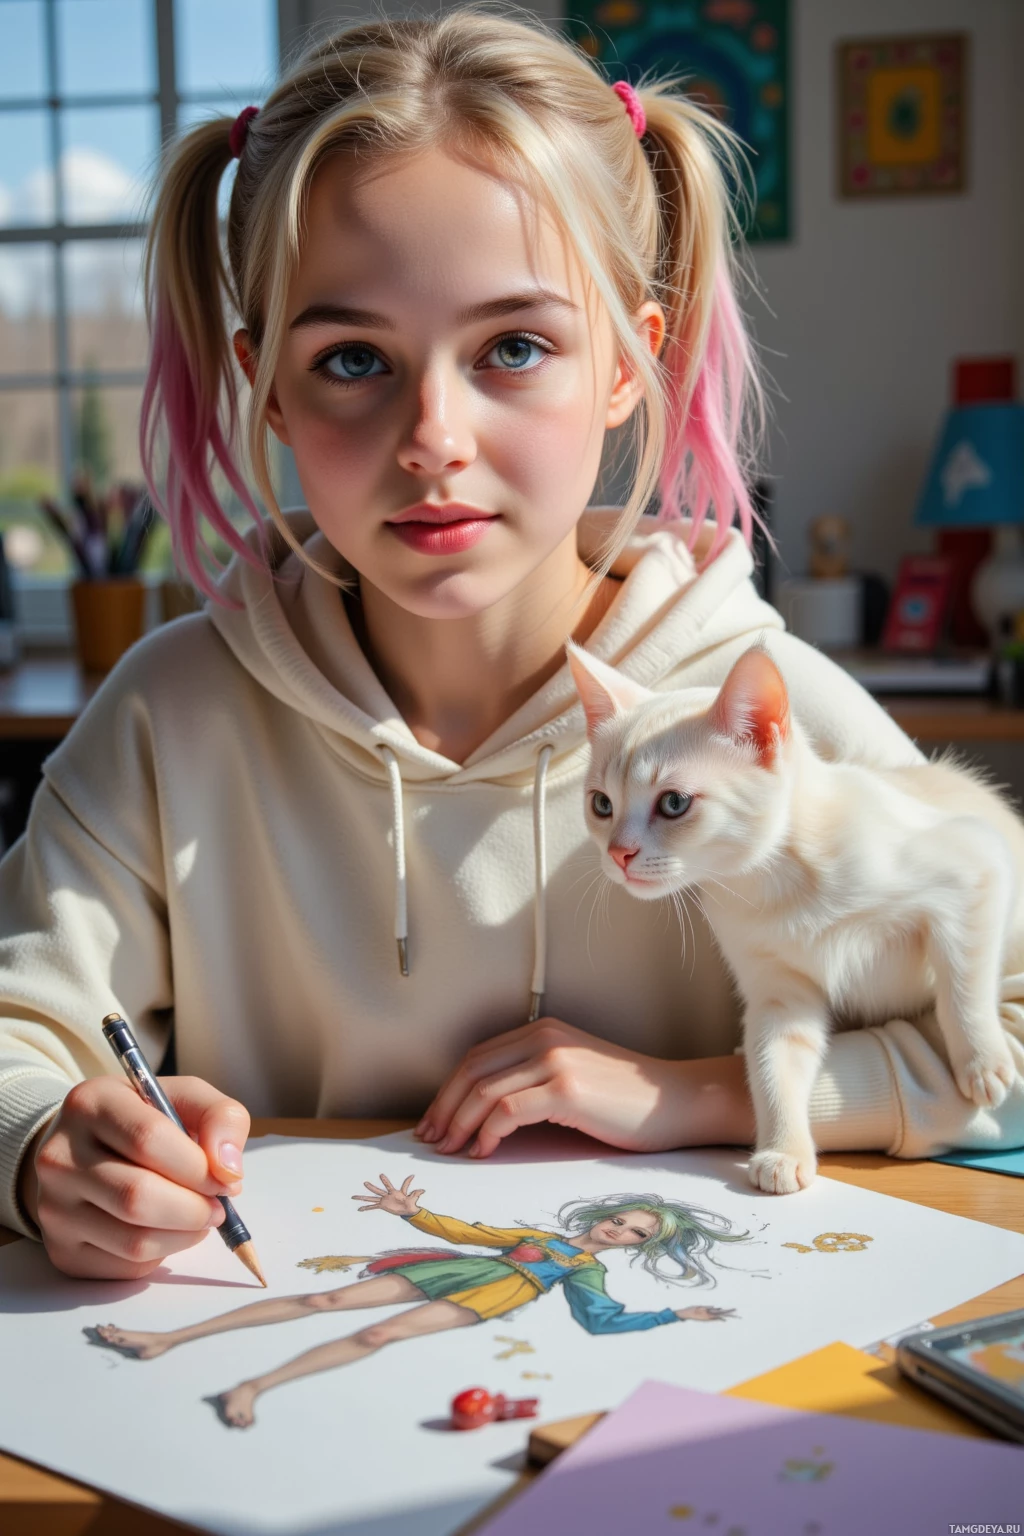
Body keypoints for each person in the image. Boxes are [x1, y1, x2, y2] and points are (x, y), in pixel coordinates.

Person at [1, 9, 1021, 1281]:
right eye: (354, 357)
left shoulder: (768, 712)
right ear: (265, 385)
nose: (432, 435)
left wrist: (698, 1097)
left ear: (625, 367)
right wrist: (42, 1144)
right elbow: (15, 1036)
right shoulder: (165, 719)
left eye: (515, 348)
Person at [92, 1174, 741, 1428]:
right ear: (607, 1211)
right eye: (623, 1219)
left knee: (380, 1337)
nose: (620, 1231)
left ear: (636, 1246)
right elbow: (472, 1234)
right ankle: (166, 1339)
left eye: (636, 1234)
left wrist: (672, 1314)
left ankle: (253, 1388)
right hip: (452, 1270)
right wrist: (413, 1214)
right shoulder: (541, 1236)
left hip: (492, 1295)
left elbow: (599, 1322)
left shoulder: (586, 1272)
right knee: (323, 1299)